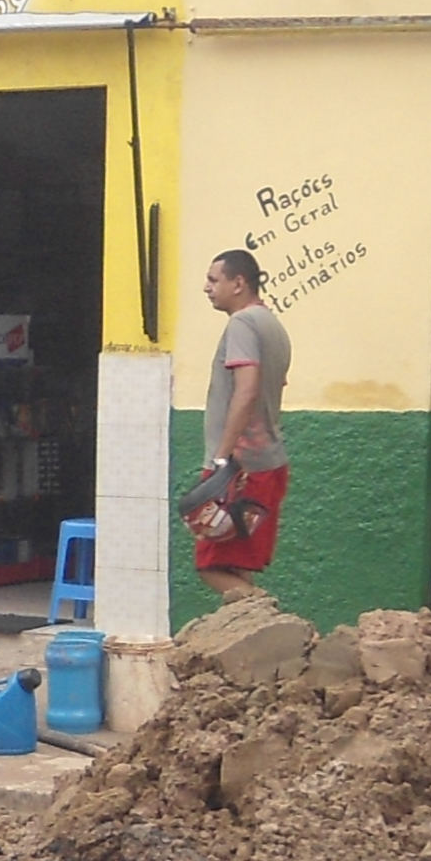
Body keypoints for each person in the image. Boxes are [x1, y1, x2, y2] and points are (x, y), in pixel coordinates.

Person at [187, 247, 290, 601]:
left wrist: (221, 460)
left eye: (214, 280)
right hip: (267, 464)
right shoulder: (273, 325)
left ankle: (269, 621)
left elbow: (246, 392)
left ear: (239, 282)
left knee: (211, 565)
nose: (206, 287)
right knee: (236, 566)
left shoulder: (242, 324)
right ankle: (252, 645)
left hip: (241, 469)